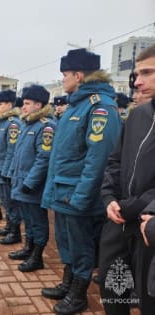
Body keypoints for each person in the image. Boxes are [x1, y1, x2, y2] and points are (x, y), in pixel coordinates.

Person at [40, 48, 122, 315]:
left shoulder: (100, 107)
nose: (62, 80)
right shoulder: (77, 105)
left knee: (82, 247)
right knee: (66, 242)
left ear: (78, 75)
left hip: (78, 195)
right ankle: (68, 282)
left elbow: (98, 161)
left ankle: (78, 295)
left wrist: (82, 197)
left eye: (64, 75)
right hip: (65, 192)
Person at [99, 44, 155, 315]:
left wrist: (143, 204)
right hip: (119, 220)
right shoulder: (137, 116)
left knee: (147, 299)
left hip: (147, 227)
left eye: (148, 72)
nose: (138, 81)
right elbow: (115, 162)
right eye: (137, 73)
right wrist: (109, 198)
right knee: (113, 293)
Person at [7, 85, 55, 273]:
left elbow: (43, 158)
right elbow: (18, 154)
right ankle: (28, 248)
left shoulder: (46, 126)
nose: (23, 107)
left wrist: (30, 183)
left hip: (33, 185)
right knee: (28, 218)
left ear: (38, 104)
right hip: (22, 181)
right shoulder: (28, 124)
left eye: (27, 103)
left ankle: (37, 256)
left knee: (38, 221)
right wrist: (13, 174)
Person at [0, 90, 23, 245]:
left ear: (9, 105)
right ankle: (9, 226)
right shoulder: (2, 122)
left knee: (10, 202)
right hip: (0, 169)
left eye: (1, 104)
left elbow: (12, 150)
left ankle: (15, 232)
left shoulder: (13, 123)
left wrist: (7, 171)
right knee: (5, 200)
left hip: (6, 171)